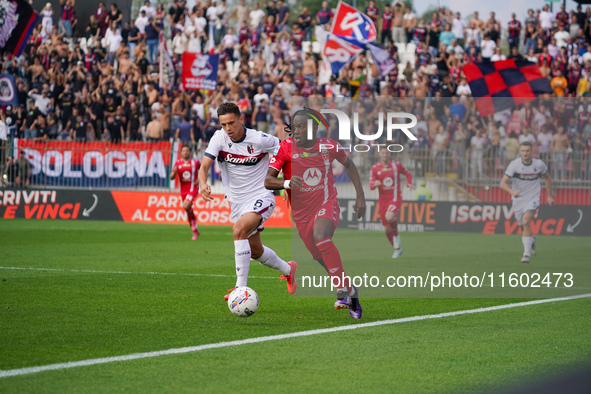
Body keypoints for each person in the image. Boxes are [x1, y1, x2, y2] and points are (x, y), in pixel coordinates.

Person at [265, 108, 365, 319]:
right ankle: (351, 291)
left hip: (327, 202)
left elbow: (349, 164)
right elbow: (268, 180)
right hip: (301, 215)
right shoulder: (285, 148)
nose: (296, 131)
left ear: (313, 129)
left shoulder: (328, 146)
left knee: (322, 235)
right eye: (294, 127)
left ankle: (341, 291)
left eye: (301, 127)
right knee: (322, 259)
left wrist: (360, 196)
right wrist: (286, 183)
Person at [198, 103, 297, 299]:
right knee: (254, 250)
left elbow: (285, 152)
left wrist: (285, 182)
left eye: (231, 123)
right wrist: (202, 183)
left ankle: (240, 289)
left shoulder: (260, 139)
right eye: (223, 124)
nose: (228, 128)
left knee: (239, 230)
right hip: (236, 201)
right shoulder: (219, 138)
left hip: (261, 195)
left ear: (241, 119)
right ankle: (288, 270)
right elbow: (204, 166)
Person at [500, 142, 554, 264]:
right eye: (523, 151)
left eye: (527, 151)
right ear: (520, 151)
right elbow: (502, 183)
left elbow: (547, 178)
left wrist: (549, 196)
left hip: (533, 198)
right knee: (523, 227)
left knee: (526, 221)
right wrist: (512, 191)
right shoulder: (514, 165)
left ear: (532, 151)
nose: (525, 153)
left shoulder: (539, 164)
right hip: (518, 199)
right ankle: (532, 241)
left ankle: (526, 255)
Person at [370, 149, 412, 258]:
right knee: (387, 228)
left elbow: (408, 173)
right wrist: (375, 184)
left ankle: (397, 236)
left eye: (387, 153)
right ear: (379, 154)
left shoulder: (396, 165)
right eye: (383, 153)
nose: (385, 155)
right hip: (383, 201)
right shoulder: (375, 168)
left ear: (390, 154)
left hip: (395, 197)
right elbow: (371, 186)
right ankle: (398, 249)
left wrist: (409, 183)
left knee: (389, 217)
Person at [170, 144, 201, 240]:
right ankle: (195, 230)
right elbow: (171, 177)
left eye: (187, 150)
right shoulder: (178, 163)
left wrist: (199, 179)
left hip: (193, 188)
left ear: (190, 152)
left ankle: (194, 221)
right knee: (187, 209)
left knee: (186, 206)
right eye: (184, 151)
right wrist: (174, 173)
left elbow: (203, 170)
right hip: (183, 190)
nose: (185, 152)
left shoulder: (195, 162)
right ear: (181, 152)